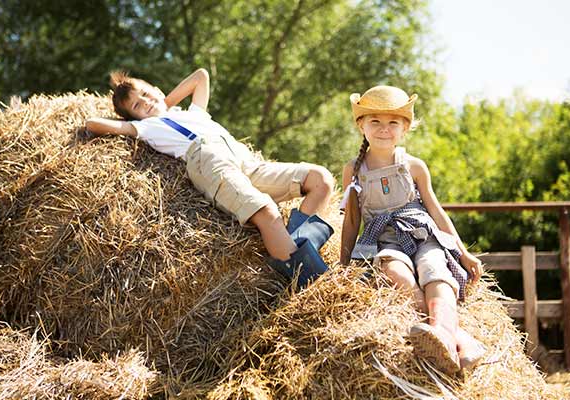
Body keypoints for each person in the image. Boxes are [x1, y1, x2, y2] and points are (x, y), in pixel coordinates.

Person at [85, 68, 335, 288]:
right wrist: (145, 116)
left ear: (158, 90)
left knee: (320, 179)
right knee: (267, 212)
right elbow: (93, 123)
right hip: (207, 158)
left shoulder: (193, 112)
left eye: (147, 94)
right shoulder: (147, 127)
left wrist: (163, 102)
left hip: (244, 159)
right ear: (134, 118)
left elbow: (201, 76)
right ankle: (311, 281)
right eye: (138, 106)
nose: (145, 102)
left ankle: (297, 250)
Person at [339, 85, 486, 375]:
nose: (384, 129)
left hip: (423, 233)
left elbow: (435, 210)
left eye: (393, 122)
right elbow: (352, 220)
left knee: (435, 272)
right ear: (361, 126)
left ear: (405, 127)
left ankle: (445, 333)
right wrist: (343, 265)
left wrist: (463, 253)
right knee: (395, 273)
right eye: (375, 122)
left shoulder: (414, 166)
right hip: (384, 238)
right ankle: (456, 338)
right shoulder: (353, 170)